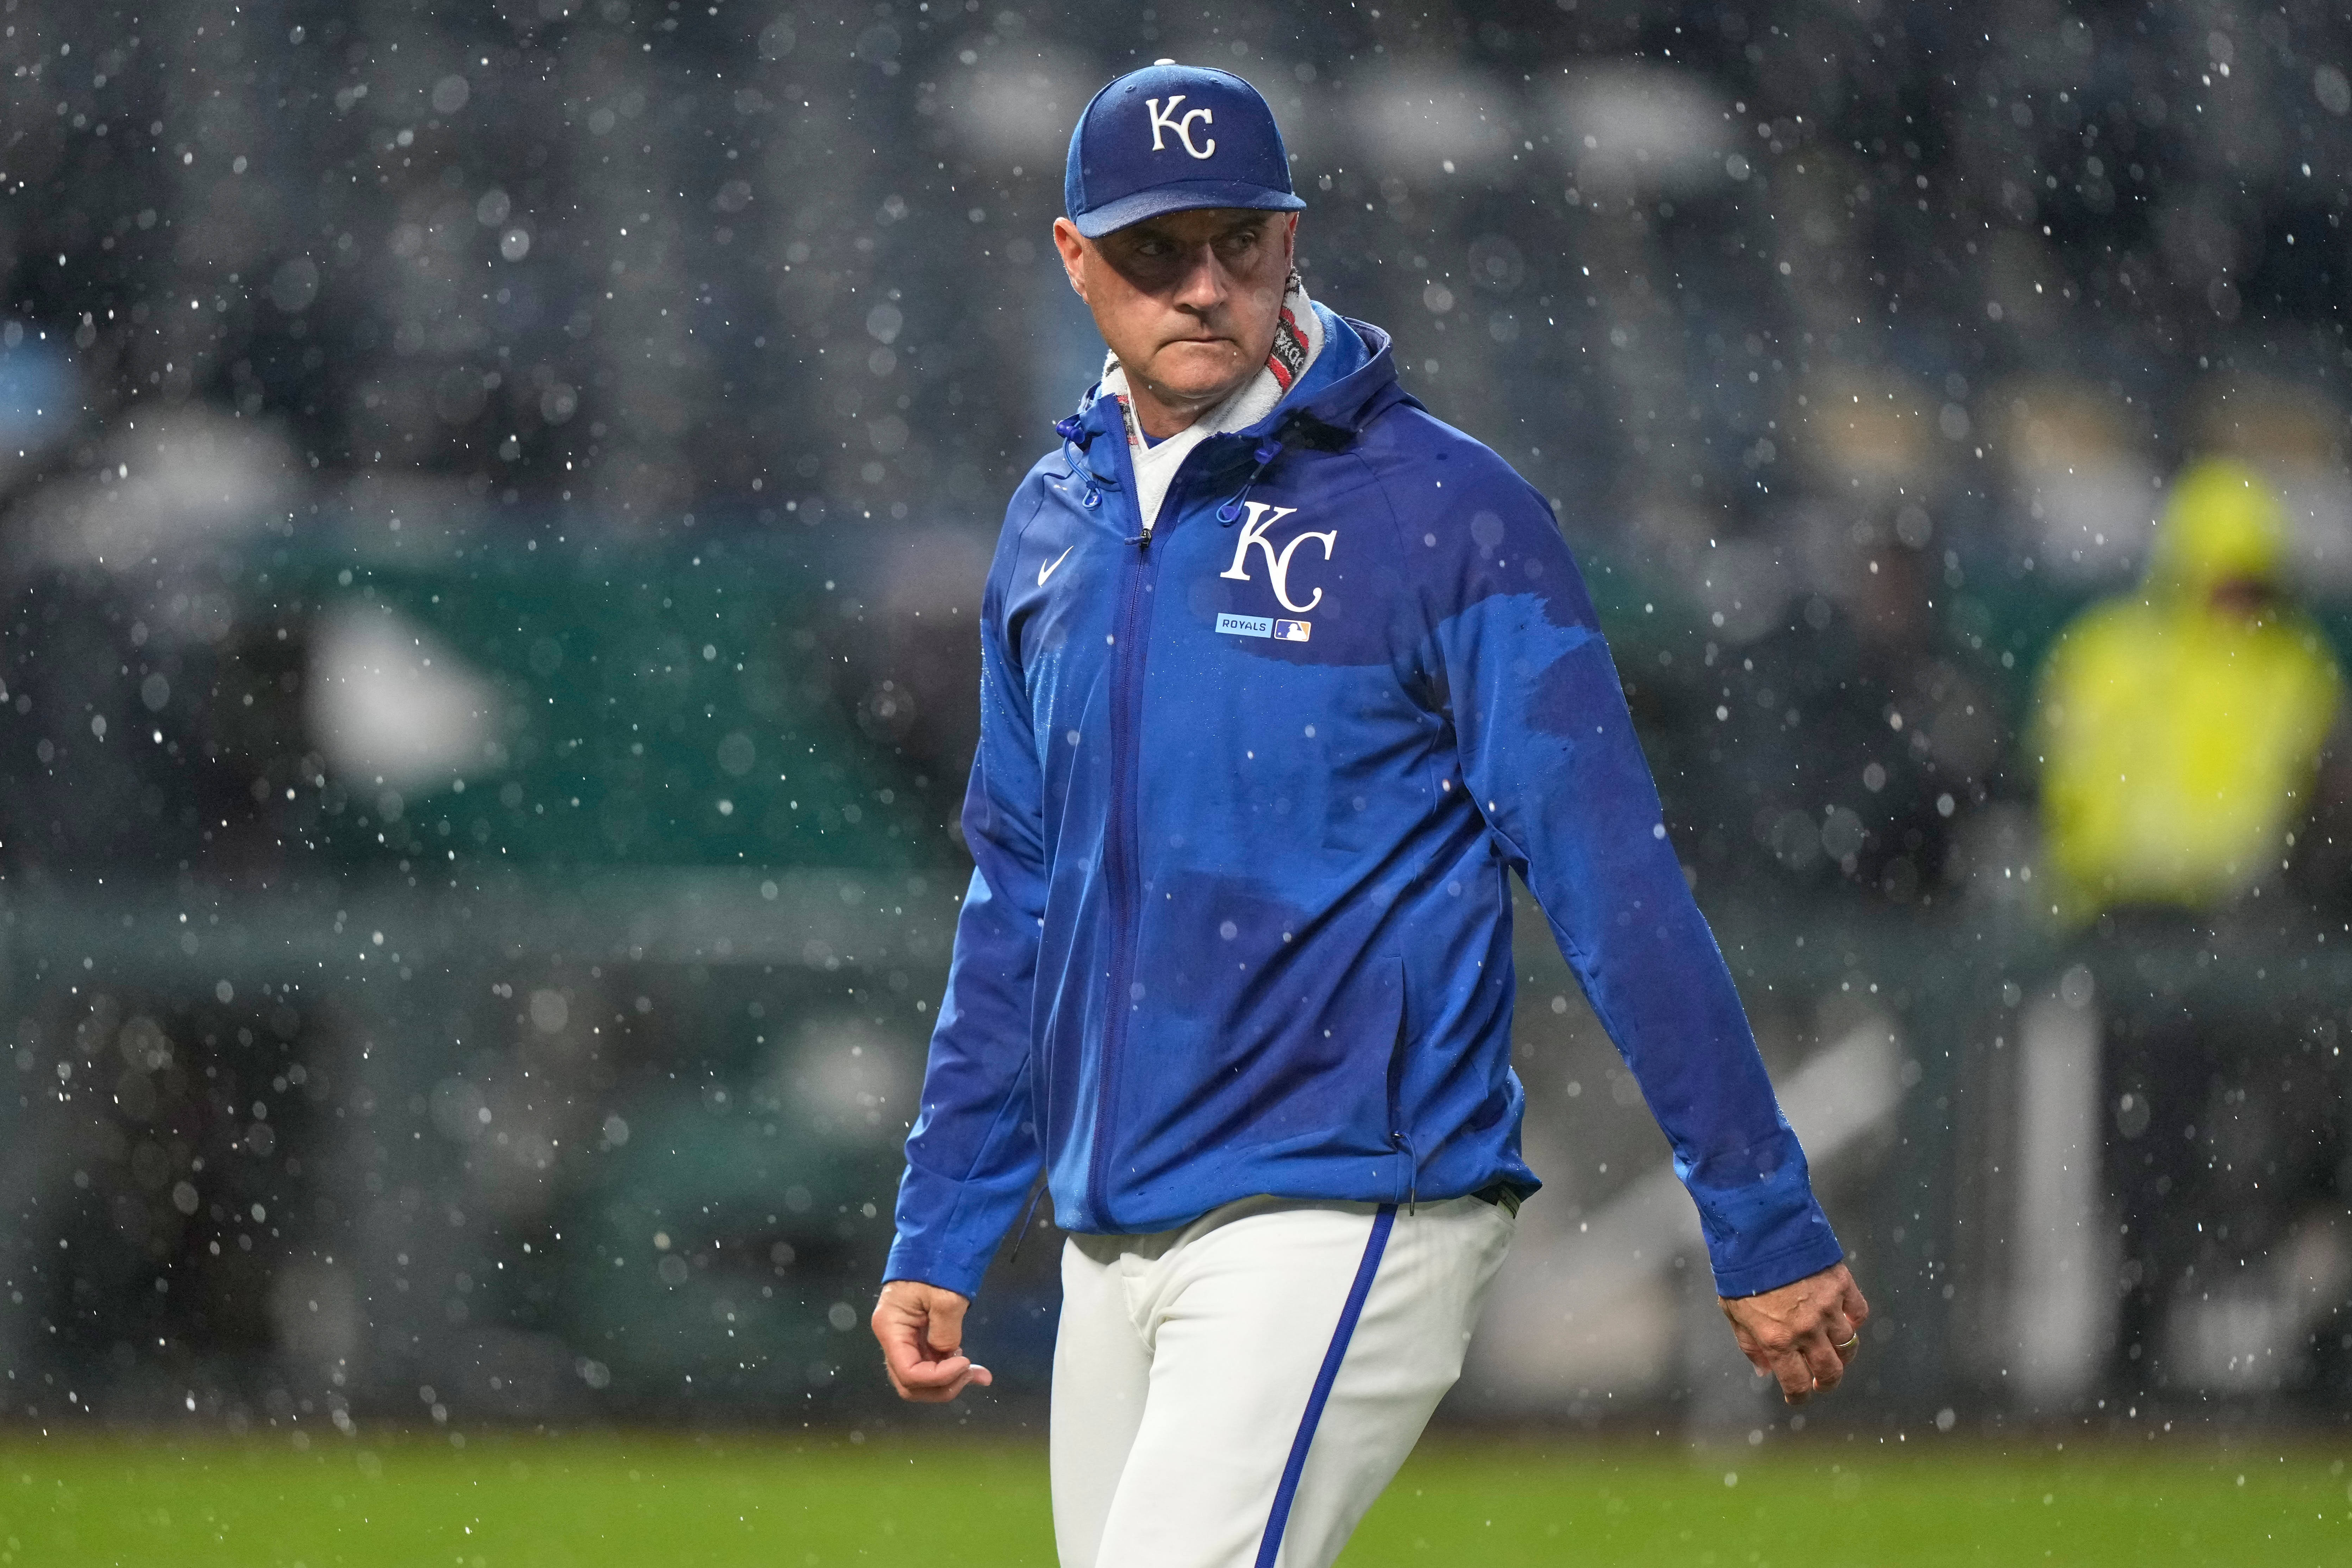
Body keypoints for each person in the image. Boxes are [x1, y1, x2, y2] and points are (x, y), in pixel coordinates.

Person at [870, 62, 1866, 1568]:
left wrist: (1756, 1203)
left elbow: (1607, 876)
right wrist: (945, 1218)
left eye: (1238, 243)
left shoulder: (1444, 513)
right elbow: (1019, 890)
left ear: (1293, 241)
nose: (1200, 286)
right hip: (1113, 1224)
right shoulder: (1051, 520)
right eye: (1154, 248)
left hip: (1347, 1193)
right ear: (1073, 257)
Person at [2033, 458, 2345, 1395]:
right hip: (2138, 932)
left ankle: (2227, 1338)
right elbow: (2072, 780)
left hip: (2249, 941)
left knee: (2237, 1152)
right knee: (2137, 1153)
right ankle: (2137, 1333)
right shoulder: (2119, 653)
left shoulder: (2293, 670)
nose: (2236, 600)